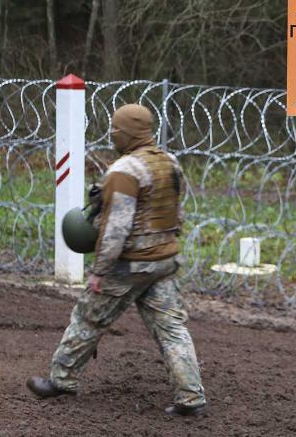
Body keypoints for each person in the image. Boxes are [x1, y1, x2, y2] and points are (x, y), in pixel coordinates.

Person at [27, 104, 206, 417]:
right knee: (172, 329)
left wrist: (100, 271)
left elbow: (116, 229)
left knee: (88, 319)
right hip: (164, 261)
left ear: (129, 132)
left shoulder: (125, 171)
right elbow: (178, 213)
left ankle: (61, 379)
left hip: (128, 264)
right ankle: (191, 398)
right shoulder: (170, 162)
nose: (112, 135)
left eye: (115, 130)